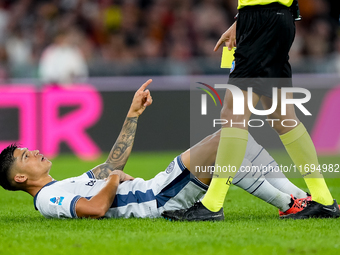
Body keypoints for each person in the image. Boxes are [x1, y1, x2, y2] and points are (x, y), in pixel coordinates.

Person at [0, 80, 317, 219]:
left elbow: (111, 164)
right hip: (156, 199)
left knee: (239, 138)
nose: (33, 152)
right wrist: (114, 180)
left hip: (156, 188)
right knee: (228, 140)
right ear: (20, 178)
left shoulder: (60, 186)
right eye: (24, 157)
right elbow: (94, 210)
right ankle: (289, 204)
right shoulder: (46, 199)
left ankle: (301, 199)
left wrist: (132, 114)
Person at [165, 0, 339, 220]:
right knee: (281, 115)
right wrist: (241, 21)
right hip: (272, 19)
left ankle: (212, 205)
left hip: (263, 20)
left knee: (233, 113)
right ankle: (323, 200)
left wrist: (250, 18)